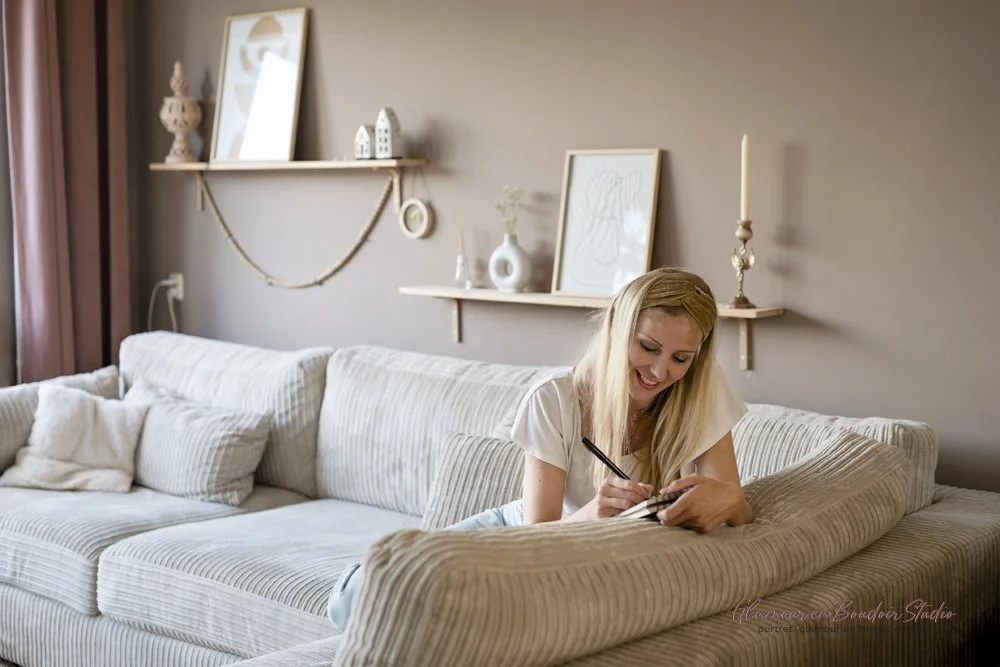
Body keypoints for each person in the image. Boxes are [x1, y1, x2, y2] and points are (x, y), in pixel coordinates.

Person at [326, 266, 753, 632]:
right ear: (615, 331)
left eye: (681, 358)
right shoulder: (555, 400)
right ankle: (358, 572)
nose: (661, 371)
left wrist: (727, 498)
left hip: (585, 555)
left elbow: (736, 510)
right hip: (518, 535)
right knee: (360, 601)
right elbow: (536, 536)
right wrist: (591, 516)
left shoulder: (702, 397)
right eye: (647, 347)